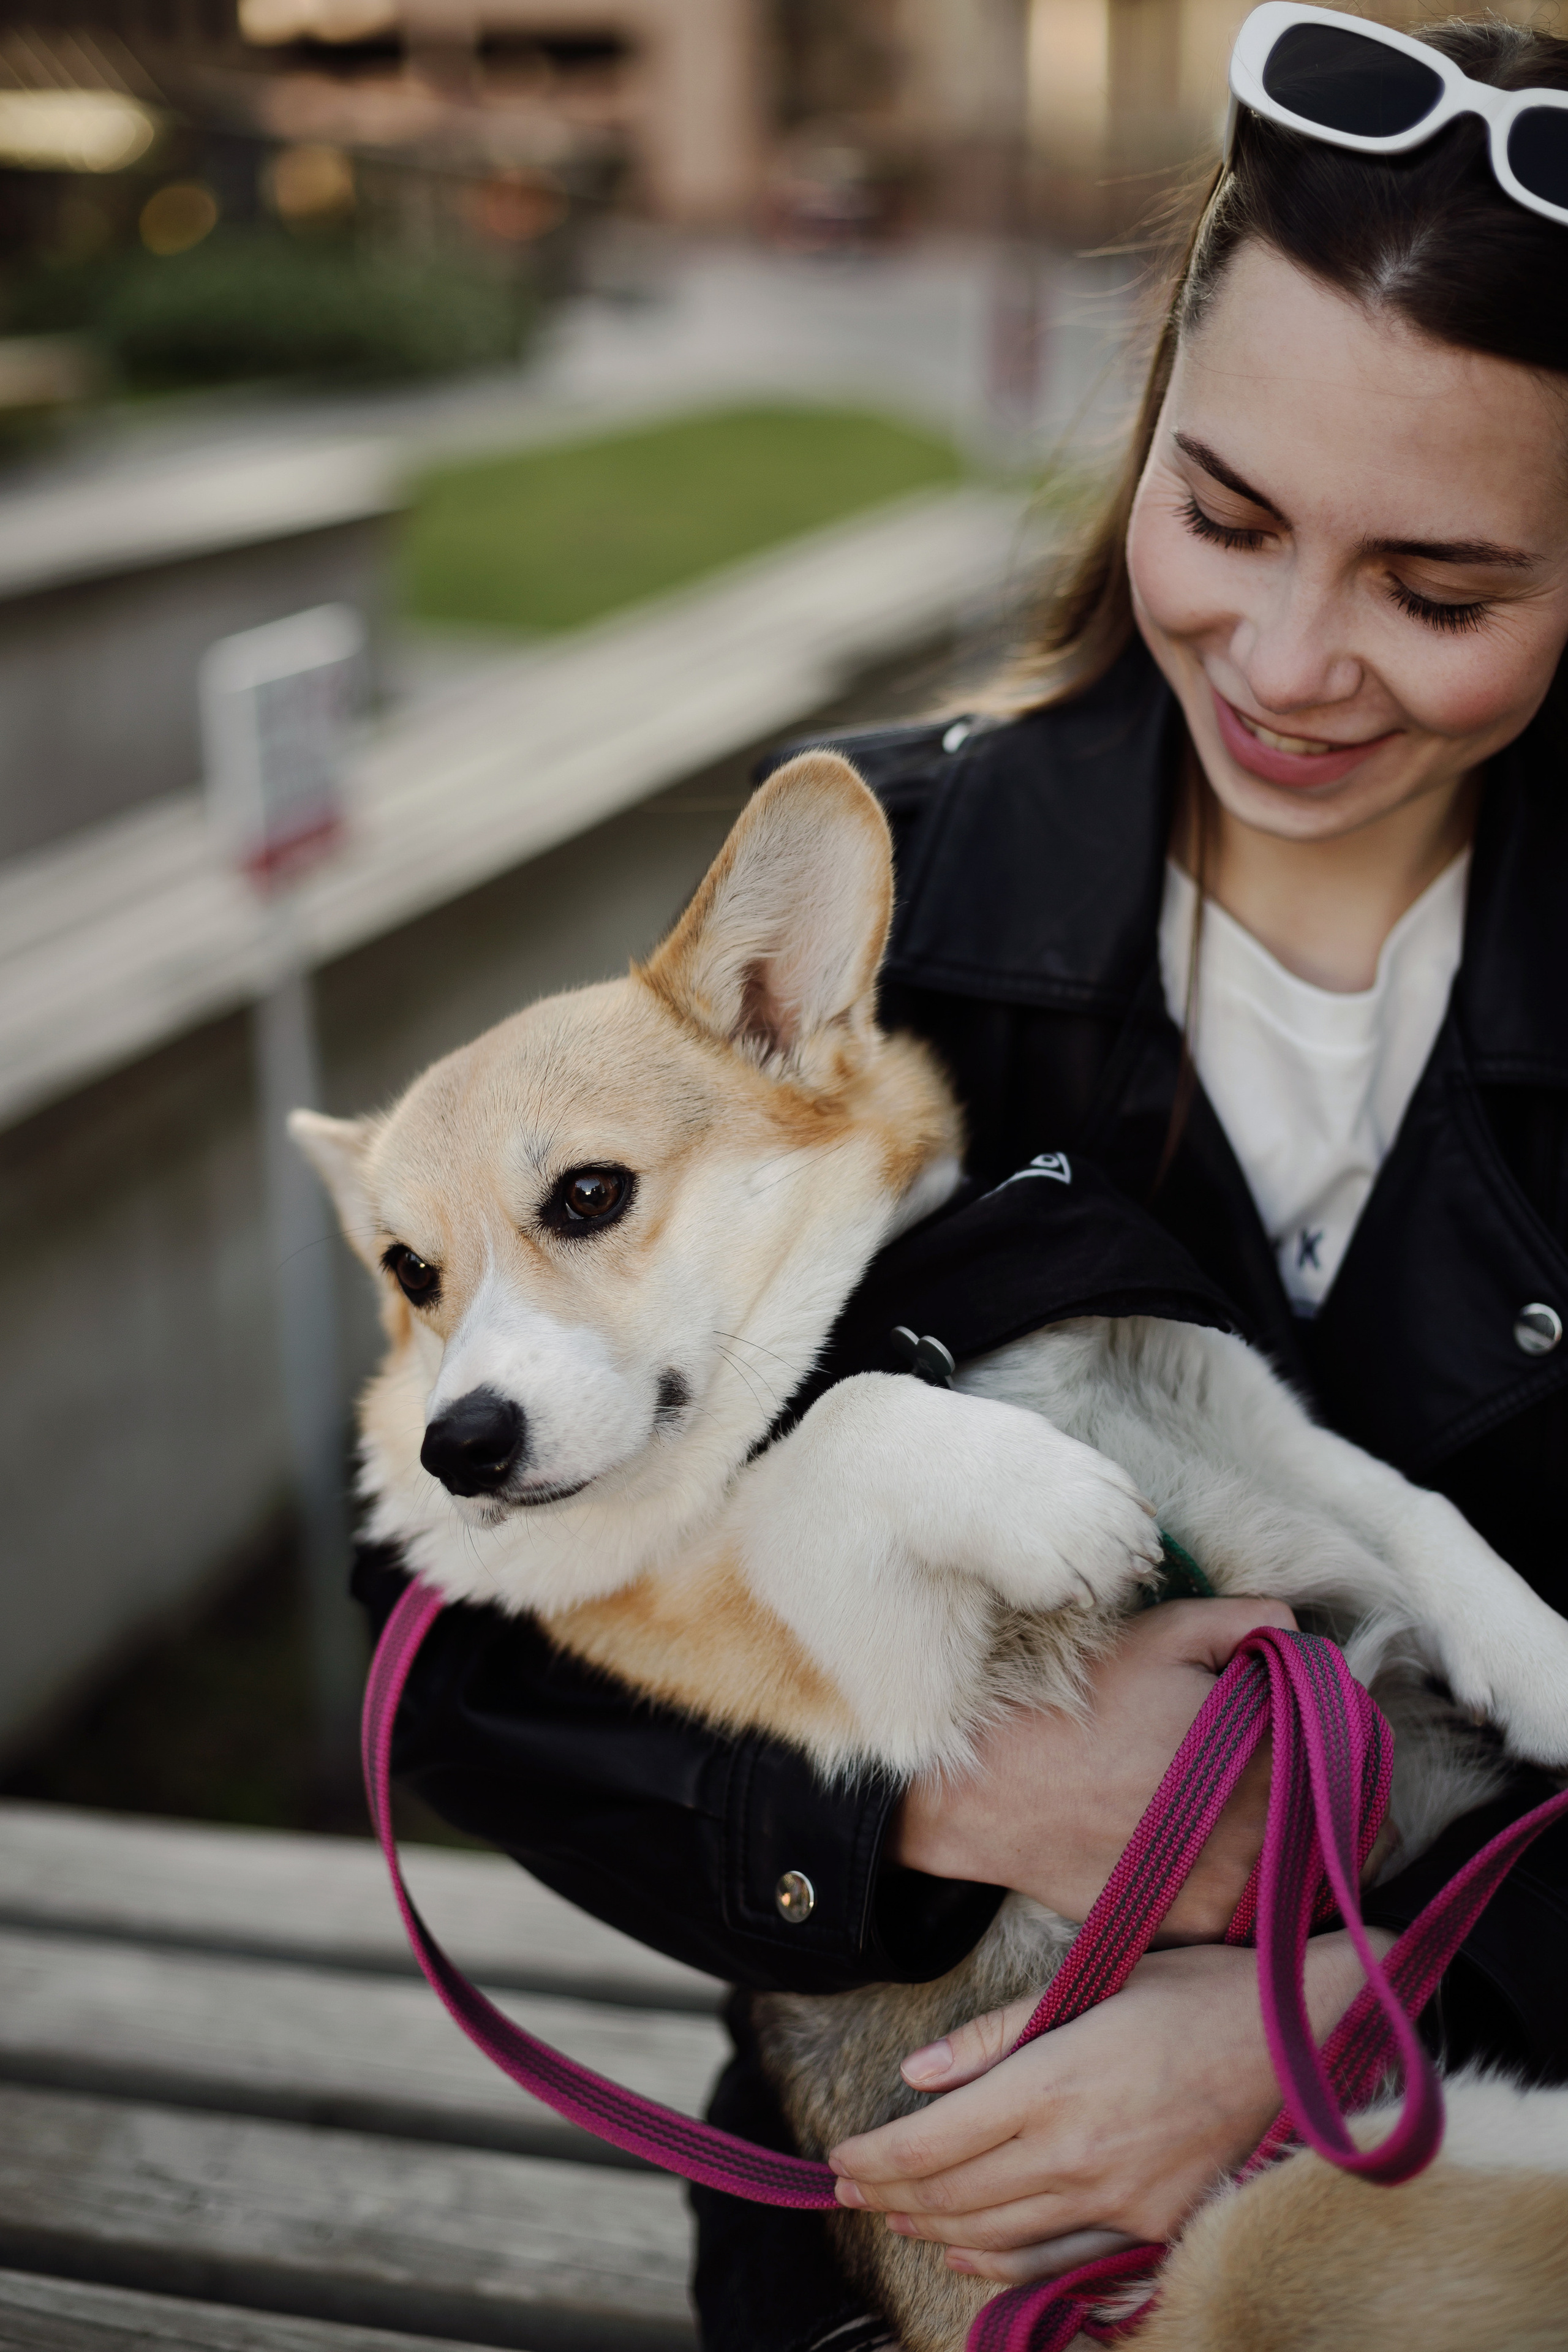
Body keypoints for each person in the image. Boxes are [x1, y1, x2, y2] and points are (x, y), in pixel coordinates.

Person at [353, 16, 1568, 2346]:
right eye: (1225, 516)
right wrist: (924, 1815)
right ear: (1149, 419)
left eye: (1439, 592)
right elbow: (445, 1647)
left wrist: (1345, 2001)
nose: (1287, 660)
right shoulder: (864, 902)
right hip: (901, 2255)